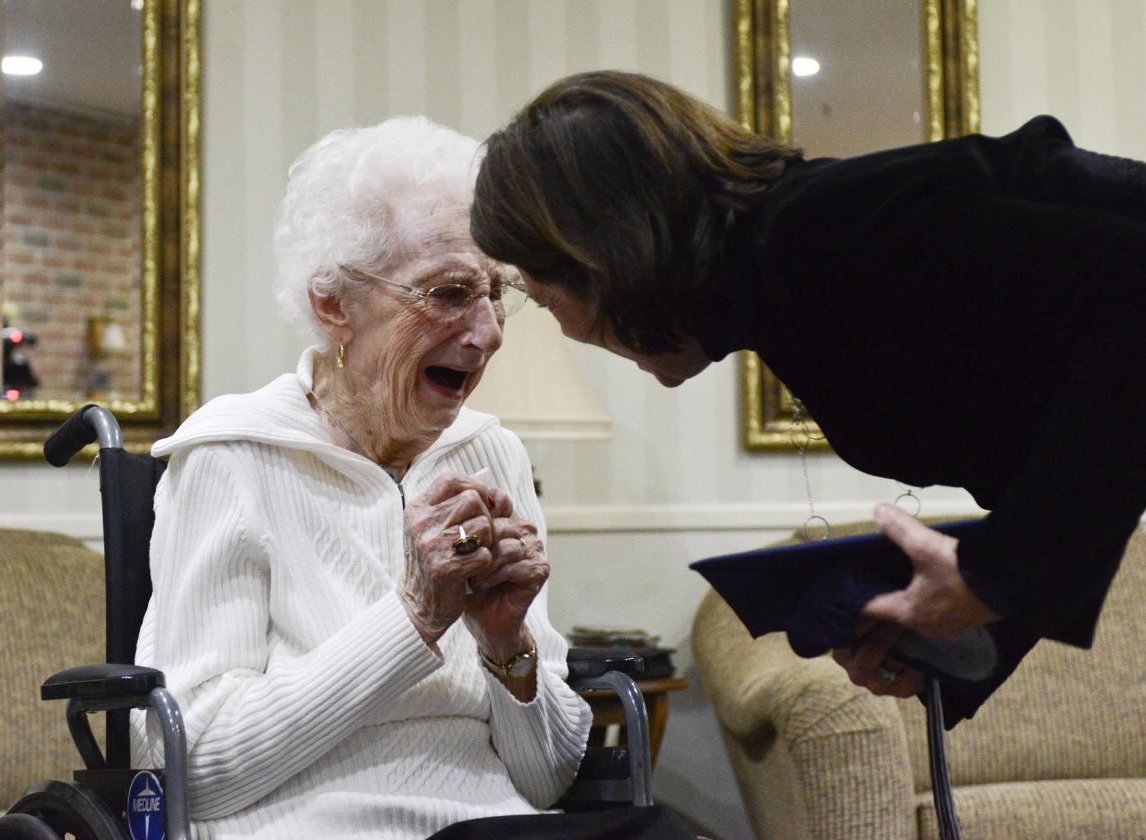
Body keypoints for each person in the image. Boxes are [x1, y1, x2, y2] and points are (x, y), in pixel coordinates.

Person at [470, 70, 1146, 726]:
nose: (563, 326)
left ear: (603, 257)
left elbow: (1130, 288)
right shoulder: (791, 264)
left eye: (543, 294)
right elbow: (1086, 420)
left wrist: (998, 576)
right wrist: (975, 639)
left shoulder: (813, 233)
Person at [130, 116, 696, 839]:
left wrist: (505, 646)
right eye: (451, 292)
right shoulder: (231, 455)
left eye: (496, 293)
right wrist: (413, 619)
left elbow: (549, 777)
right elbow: (194, 768)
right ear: (333, 305)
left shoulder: (491, 454)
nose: (489, 332)